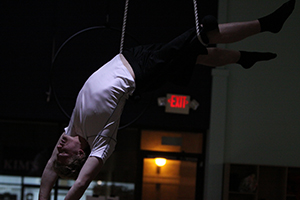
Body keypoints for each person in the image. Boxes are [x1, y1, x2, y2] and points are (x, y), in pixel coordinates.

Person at [39, 1, 295, 199]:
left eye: (57, 152)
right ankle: (267, 24)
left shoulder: (71, 131)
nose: (58, 149)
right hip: (143, 72)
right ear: (80, 154)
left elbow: (50, 170)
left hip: (132, 57)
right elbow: (81, 183)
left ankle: (242, 59)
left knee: (196, 54)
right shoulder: (100, 145)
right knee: (202, 35)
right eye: (63, 154)